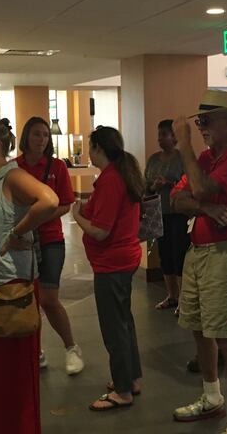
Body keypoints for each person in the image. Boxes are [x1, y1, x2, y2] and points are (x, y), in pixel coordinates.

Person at [171, 90, 227, 434]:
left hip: (225, 252)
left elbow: (202, 187)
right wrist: (206, 208)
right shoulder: (207, 158)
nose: (201, 127)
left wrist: (185, 147)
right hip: (199, 251)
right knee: (200, 328)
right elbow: (178, 199)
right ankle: (212, 396)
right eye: (199, 122)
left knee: (224, 334)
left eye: (206, 121)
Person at [0, 118, 59, 434]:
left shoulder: (12, 176)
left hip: (12, 288)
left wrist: (17, 232)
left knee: (15, 379)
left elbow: (49, 200)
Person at [72, 127, 144, 411]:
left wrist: (76, 216)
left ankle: (123, 391)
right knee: (124, 322)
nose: (88, 152)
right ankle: (131, 378)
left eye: (91, 147)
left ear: (99, 148)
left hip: (112, 264)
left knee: (114, 328)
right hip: (123, 260)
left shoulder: (112, 180)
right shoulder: (116, 177)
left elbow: (100, 231)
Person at [16, 116, 84, 375]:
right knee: (28, 299)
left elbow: (66, 203)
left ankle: (71, 347)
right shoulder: (15, 168)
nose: (42, 139)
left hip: (51, 240)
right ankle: (37, 350)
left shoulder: (57, 166)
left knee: (48, 298)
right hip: (22, 242)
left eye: (45, 135)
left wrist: (39, 217)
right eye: (36, 134)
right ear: (26, 137)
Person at [145, 119, 189, 313]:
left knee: (179, 254)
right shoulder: (153, 159)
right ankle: (172, 295)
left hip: (178, 213)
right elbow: (145, 184)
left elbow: (190, 184)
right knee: (164, 255)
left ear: (174, 137)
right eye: (159, 134)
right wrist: (153, 187)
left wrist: (170, 184)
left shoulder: (182, 158)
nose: (161, 138)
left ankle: (184, 299)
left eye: (165, 134)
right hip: (158, 212)